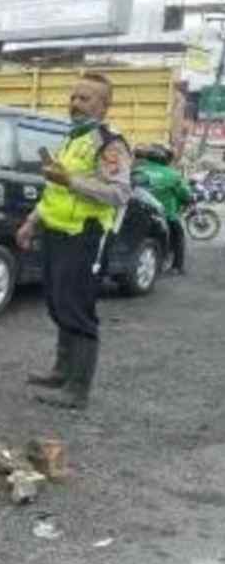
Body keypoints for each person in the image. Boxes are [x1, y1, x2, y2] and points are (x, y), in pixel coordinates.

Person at [16, 73, 133, 410]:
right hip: (57, 233)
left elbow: (120, 192)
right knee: (57, 302)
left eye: (85, 99)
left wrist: (71, 181)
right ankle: (61, 371)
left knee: (77, 308)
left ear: (104, 105)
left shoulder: (109, 143)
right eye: (74, 97)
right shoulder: (72, 139)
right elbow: (55, 189)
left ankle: (77, 389)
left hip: (86, 235)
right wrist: (31, 222)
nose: (76, 104)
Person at [132, 143, 191, 275]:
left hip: (138, 214)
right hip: (167, 216)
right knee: (178, 237)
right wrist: (187, 199)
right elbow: (185, 194)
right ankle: (177, 267)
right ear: (167, 158)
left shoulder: (137, 170)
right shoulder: (173, 175)